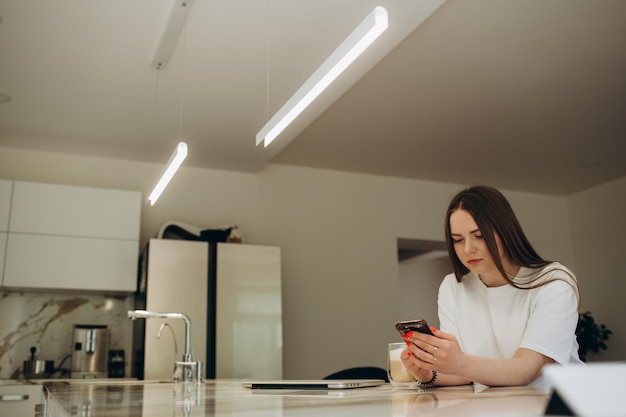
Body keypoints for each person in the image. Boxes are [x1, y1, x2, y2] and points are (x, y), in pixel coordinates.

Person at [401, 185, 583, 387]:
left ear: (505, 231)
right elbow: (463, 373)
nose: (468, 249)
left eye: (479, 236)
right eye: (458, 240)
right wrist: (428, 373)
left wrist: (459, 362)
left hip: (559, 405)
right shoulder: (452, 287)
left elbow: (527, 369)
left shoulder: (552, 282)